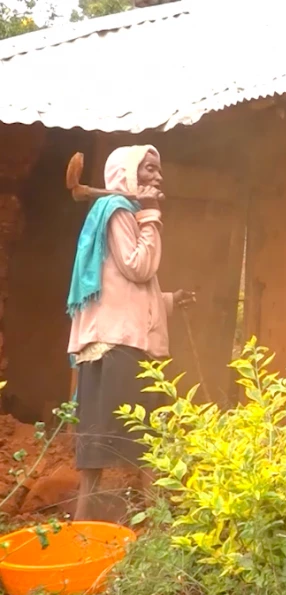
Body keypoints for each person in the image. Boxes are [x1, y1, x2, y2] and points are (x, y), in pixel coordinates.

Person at [66, 145, 195, 522]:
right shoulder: (121, 211)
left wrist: (168, 300)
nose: (158, 177)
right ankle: (151, 522)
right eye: (149, 169)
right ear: (127, 174)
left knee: (98, 440)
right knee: (142, 439)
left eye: (158, 169)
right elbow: (138, 267)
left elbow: (124, 288)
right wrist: (152, 216)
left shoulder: (114, 211)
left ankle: (86, 521)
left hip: (107, 343)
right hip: (119, 346)